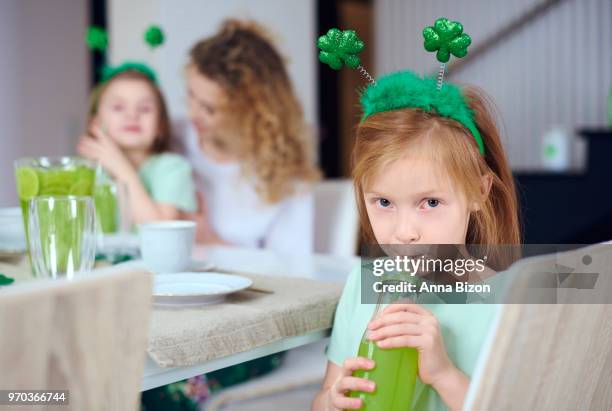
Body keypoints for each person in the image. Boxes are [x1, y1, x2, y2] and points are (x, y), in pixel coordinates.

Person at [311, 73, 521, 410]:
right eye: (383, 203)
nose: (404, 231)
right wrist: (333, 401)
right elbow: (323, 397)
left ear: (478, 192)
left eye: (431, 203)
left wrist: (443, 373)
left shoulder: (506, 304)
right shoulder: (363, 284)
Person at [180, 19, 320, 253]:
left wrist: (210, 241)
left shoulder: (287, 178)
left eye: (209, 109)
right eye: (190, 95)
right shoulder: (171, 139)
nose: (191, 113)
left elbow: (292, 272)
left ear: (251, 112)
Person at [78, 67, 197, 224]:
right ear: (96, 123)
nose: (132, 115)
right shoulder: (88, 173)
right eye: (118, 107)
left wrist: (119, 166)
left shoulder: (173, 168)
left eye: (144, 109)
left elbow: (161, 230)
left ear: (160, 126)